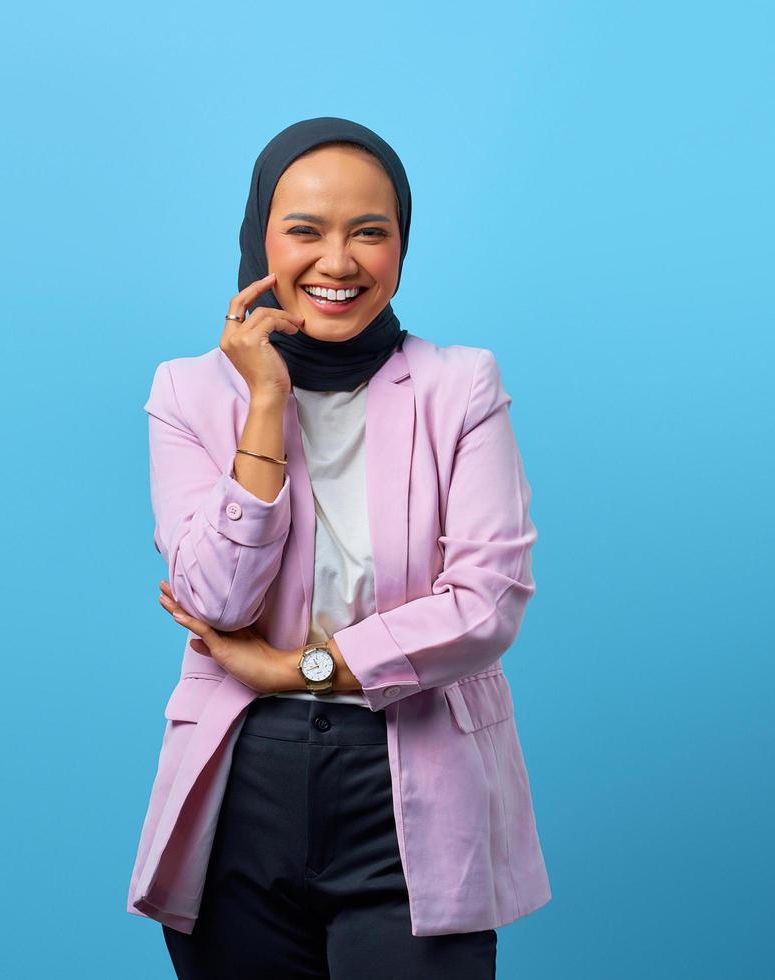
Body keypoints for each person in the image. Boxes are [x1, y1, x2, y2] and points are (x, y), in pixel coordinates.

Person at [127, 116, 550, 979]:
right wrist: (265, 406)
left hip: (413, 781)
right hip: (240, 786)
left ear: (401, 244)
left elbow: (485, 603)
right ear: (259, 239)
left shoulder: (457, 385)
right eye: (305, 231)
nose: (338, 261)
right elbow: (213, 602)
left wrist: (298, 668)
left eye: (370, 232)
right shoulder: (185, 392)